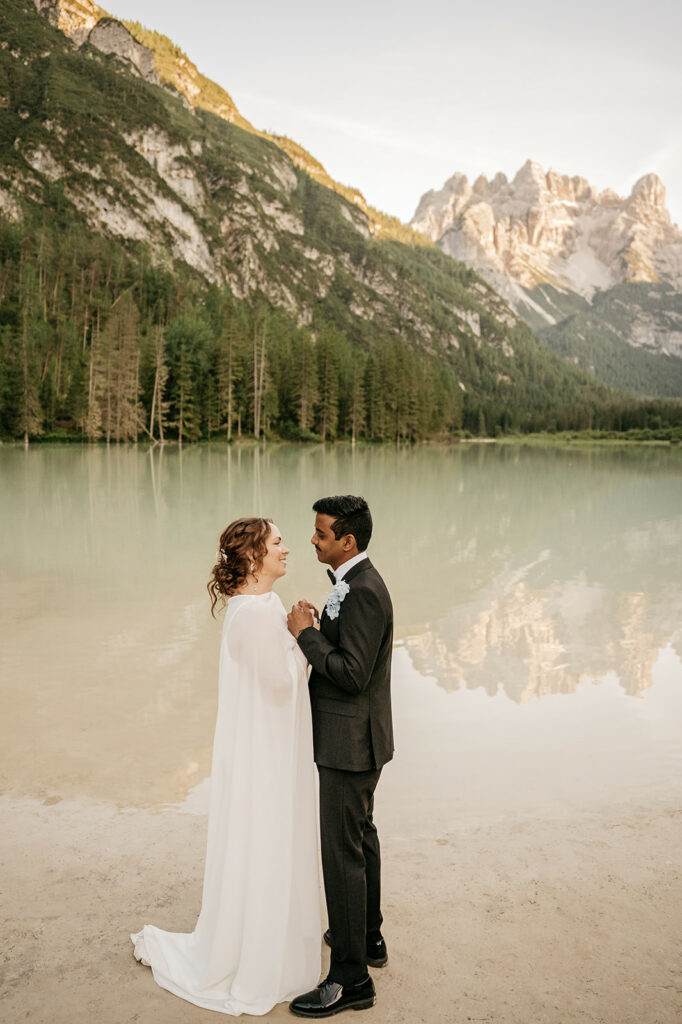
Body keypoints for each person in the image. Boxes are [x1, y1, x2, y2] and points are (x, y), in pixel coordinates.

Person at [131, 517, 321, 1016]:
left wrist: (297, 628)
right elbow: (280, 687)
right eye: (277, 542)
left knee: (273, 841)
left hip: (272, 744)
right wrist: (308, 639)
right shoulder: (255, 615)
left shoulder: (265, 605)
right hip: (266, 753)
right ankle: (257, 956)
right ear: (255, 556)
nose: (287, 548)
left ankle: (270, 939)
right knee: (266, 841)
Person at [287, 495, 394, 1018]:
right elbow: (350, 646)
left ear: (346, 542)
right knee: (361, 838)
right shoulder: (350, 584)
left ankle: (351, 981)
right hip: (356, 740)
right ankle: (368, 940)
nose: (312, 539)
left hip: (349, 745)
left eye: (320, 532)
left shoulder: (365, 591)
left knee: (342, 855)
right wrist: (319, 622)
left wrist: (305, 635)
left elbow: (352, 673)